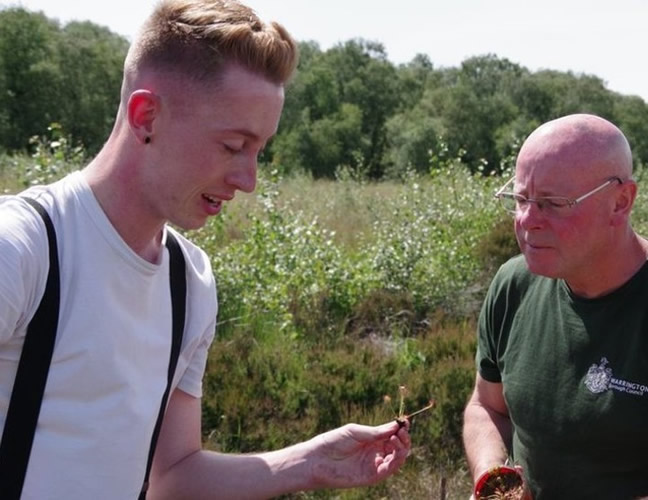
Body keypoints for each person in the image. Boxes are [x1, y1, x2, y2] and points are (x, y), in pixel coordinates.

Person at [0, 1, 410, 498]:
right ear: (145, 115)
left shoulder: (189, 282)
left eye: (260, 150)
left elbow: (172, 475)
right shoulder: (22, 250)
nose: (249, 180)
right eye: (233, 145)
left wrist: (311, 462)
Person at [462, 113, 648, 499]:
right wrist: (495, 482)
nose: (527, 221)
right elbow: (488, 407)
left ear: (621, 202)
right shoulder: (514, 285)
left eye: (553, 204)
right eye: (520, 199)